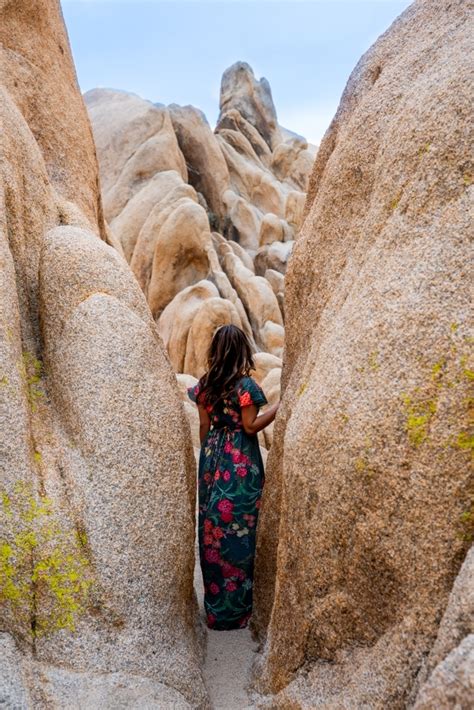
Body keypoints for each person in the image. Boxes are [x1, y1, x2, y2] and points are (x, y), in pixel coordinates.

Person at [187, 324, 279, 630]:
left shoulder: (204, 386)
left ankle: (217, 610)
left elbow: (204, 426)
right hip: (240, 458)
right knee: (242, 529)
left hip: (213, 456)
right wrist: (279, 407)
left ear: (215, 351)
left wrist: (208, 453)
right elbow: (251, 426)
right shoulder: (245, 388)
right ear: (242, 351)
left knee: (212, 528)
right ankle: (240, 610)